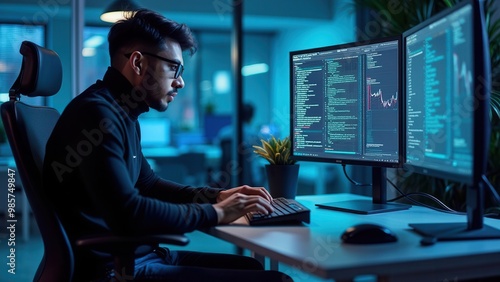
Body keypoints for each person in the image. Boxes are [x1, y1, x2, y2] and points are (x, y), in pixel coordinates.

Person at [42, 9, 292, 282]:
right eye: (174, 67)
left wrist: (216, 196)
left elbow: (148, 185)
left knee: (253, 268)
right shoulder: (96, 115)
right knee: (278, 280)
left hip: (140, 256)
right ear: (137, 63)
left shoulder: (122, 112)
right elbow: (129, 212)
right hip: (117, 270)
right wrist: (216, 212)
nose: (180, 82)